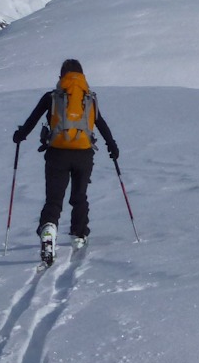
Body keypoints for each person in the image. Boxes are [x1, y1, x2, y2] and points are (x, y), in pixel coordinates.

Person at [13, 59, 119, 265]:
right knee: (79, 196)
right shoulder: (89, 98)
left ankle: (49, 230)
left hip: (57, 154)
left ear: (62, 76)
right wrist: (112, 145)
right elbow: (101, 123)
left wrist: (20, 135)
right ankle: (79, 236)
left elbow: (32, 120)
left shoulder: (52, 97)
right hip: (83, 154)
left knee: (54, 200)